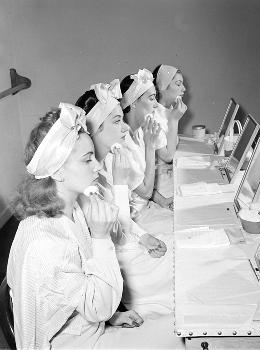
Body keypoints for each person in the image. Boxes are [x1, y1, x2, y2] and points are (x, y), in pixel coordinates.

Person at [7, 103, 143, 349]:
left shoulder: (72, 209)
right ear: (57, 171)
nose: (98, 166)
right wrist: (101, 238)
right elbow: (97, 307)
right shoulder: (45, 243)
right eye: (87, 160)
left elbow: (75, 293)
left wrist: (113, 317)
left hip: (88, 328)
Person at [75, 79, 174, 318]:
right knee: (181, 262)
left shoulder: (105, 160)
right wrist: (120, 185)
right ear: (96, 128)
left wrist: (143, 236)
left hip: (125, 248)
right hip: (118, 266)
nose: (125, 128)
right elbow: (113, 235)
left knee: (179, 245)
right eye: (117, 122)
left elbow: (122, 225)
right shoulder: (85, 177)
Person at [120, 69, 174, 229]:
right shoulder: (122, 141)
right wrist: (150, 146)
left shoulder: (139, 131)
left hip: (145, 210)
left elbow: (138, 182)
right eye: (151, 98)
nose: (156, 104)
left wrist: (162, 200)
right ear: (134, 102)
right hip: (134, 221)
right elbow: (145, 192)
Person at [152, 64, 187, 197]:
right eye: (178, 84)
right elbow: (167, 157)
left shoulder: (170, 109)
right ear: (163, 87)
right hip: (159, 183)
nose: (184, 89)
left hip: (168, 174)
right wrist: (174, 120)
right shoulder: (153, 115)